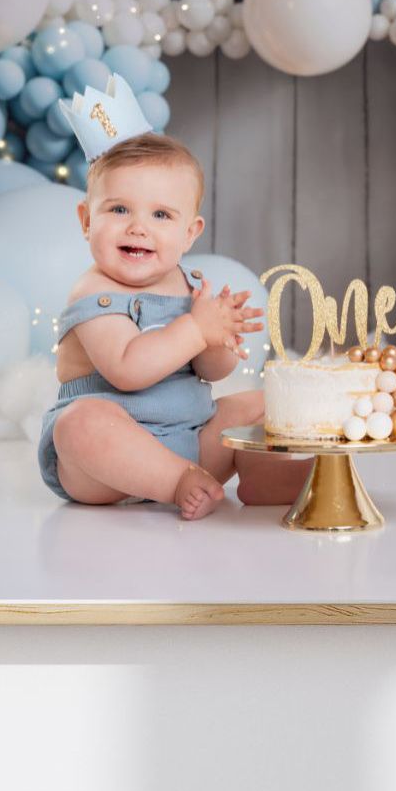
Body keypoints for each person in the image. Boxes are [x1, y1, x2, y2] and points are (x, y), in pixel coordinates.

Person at [37, 132, 311, 518]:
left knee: (261, 403)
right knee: (80, 424)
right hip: (105, 468)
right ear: (86, 220)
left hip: (191, 442)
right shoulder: (93, 290)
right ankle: (175, 483)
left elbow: (210, 372)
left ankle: (265, 474)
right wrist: (196, 330)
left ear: (189, 233)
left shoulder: (192, 285)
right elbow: (128, 369)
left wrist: (217, 339)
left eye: (161, 214)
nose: (137, 227)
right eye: (118, 210)